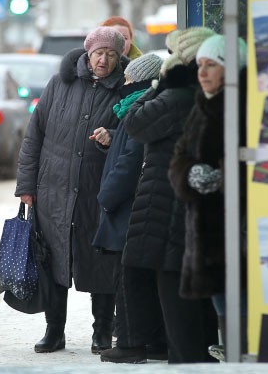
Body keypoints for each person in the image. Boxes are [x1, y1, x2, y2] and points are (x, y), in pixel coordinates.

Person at [15, 26, 127, 354]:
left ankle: (102, 331)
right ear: (87, 54)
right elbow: (33, 136)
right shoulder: (59, 84)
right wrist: (26, 185)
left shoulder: (123, 90)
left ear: (119, 57)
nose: (103, 60)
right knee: (53, 259)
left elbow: (132, 135)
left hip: (97, 191)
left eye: (110, 54)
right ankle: (54, 331)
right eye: (98, 53)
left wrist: (113, 136)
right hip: (54, 189)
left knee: (101, 260)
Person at [112, 26, 219, 364]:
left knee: (174, 296)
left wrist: (160, 84)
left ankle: (182, 359)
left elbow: (134, 122)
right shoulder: (199, 96)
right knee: (192, 297)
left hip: (167, 204)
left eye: (173, 54)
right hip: (180, 203)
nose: (168, 60)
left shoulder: (177, 95)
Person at [168, 33, 248, 361]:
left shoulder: (242, 105)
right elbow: (179, 155)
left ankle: (241, 348)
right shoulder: (203, 104)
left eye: (211, 64)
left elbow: (255, 157)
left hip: (236, 220)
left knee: (238, 288)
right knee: (218, 288)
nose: (202, 72)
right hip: (205, 220)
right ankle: (230, 347)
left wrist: (226, 175)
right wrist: (189, 173)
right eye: (200, 64)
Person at [91, 52, 168, 364]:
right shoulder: (133, 110)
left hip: (128, 207)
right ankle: (148, 341)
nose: (122, 82)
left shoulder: (140, 111)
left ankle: (133, 342)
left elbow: (129, 162)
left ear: (138, 80)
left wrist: (106, 196)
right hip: (131, 205)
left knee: (130, 279)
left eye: (127, 78)